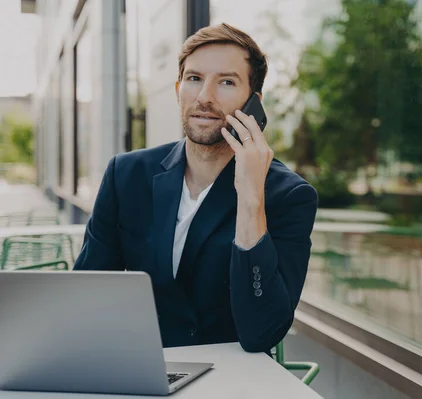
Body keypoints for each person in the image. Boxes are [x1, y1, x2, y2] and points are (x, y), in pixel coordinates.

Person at [73, 23, 318, 353]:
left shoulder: (288, 196)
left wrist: (250, 198)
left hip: (232, 379)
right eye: (194, 79)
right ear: (178, 90)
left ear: (253, 104)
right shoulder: (127, 174)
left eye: (226, 82)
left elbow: (261, 332)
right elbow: (87, 295)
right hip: (138, 365)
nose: (204, 97)